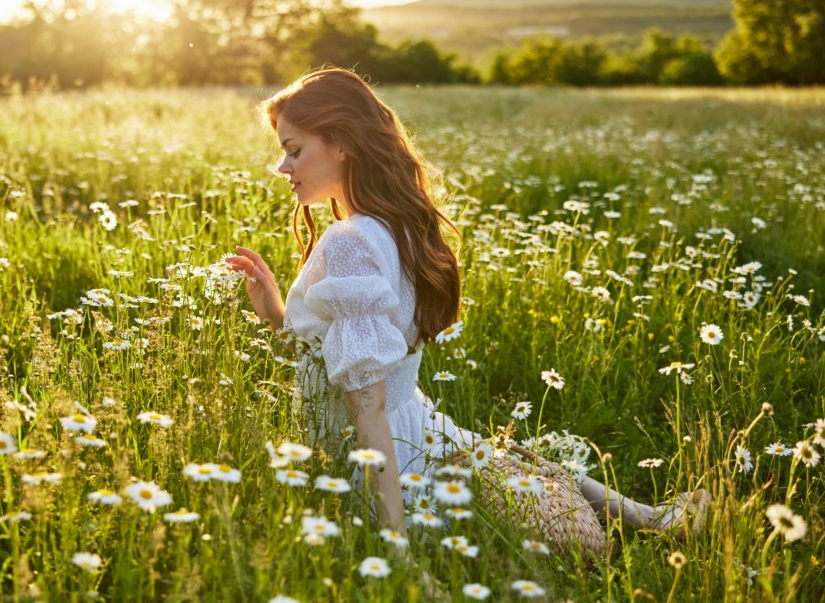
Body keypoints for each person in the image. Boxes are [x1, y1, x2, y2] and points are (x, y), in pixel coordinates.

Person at [225, 68, 708, 551]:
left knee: (504, 468)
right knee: (503, 455)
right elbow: (339, 353)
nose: (282, 168)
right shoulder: (401, 226)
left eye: (293, 150)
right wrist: (276, 315)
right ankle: (649, 518)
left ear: (341, 143)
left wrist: (396, 546)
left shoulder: (350, 241)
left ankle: (623, 523)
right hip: (411, 423)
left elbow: (365, 405)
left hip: (372, 452)